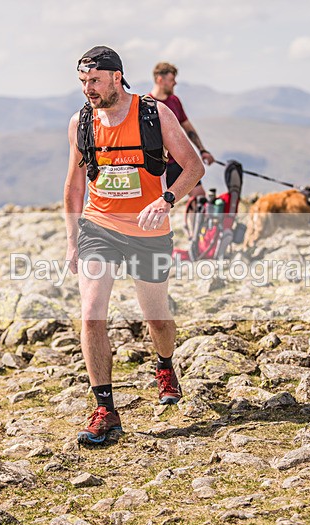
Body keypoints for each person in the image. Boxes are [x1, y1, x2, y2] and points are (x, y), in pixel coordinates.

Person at [64, 46, 204, 444]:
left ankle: (164, 364)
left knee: (157, 317)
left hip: (149, 230)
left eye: (94, 81)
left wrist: (166, 200)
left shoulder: (154, 114)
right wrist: (73, 239)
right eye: (82, 82)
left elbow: (194, 166)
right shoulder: (81, 123)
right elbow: (74, 185)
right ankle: (105, 409)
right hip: (99, 226)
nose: (88, 89)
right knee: (91, 313)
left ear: (115, 76)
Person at [149, 61, 214, 198]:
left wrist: (202, 150)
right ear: (160, 80)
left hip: (179, 162)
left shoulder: (175, 101)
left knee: (199, 197)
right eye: (172, 79)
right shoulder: (147, 104)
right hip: (159, 167)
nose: (175, 83)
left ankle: (193, 220)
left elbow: (188, 128)